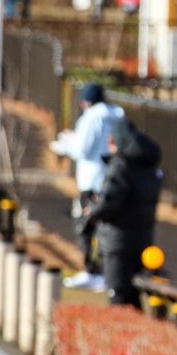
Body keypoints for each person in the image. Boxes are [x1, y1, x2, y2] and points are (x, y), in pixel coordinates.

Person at [51, 82, 124, 291]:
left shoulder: (92, 118)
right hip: (107, 179)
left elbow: (84, 149)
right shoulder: (115, 116)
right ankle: (100, 271)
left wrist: (66, 145)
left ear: (87, 101)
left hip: (91, 179)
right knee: (102, 225)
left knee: (85, 225)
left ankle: (92, 271)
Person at [80, 120, 162, 307]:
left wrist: (91, 211)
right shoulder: (148, 165)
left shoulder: (120, 166)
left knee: (118, 297)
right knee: (133, 298)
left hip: (117, 244)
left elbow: (109, 204)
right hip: (142, 240)